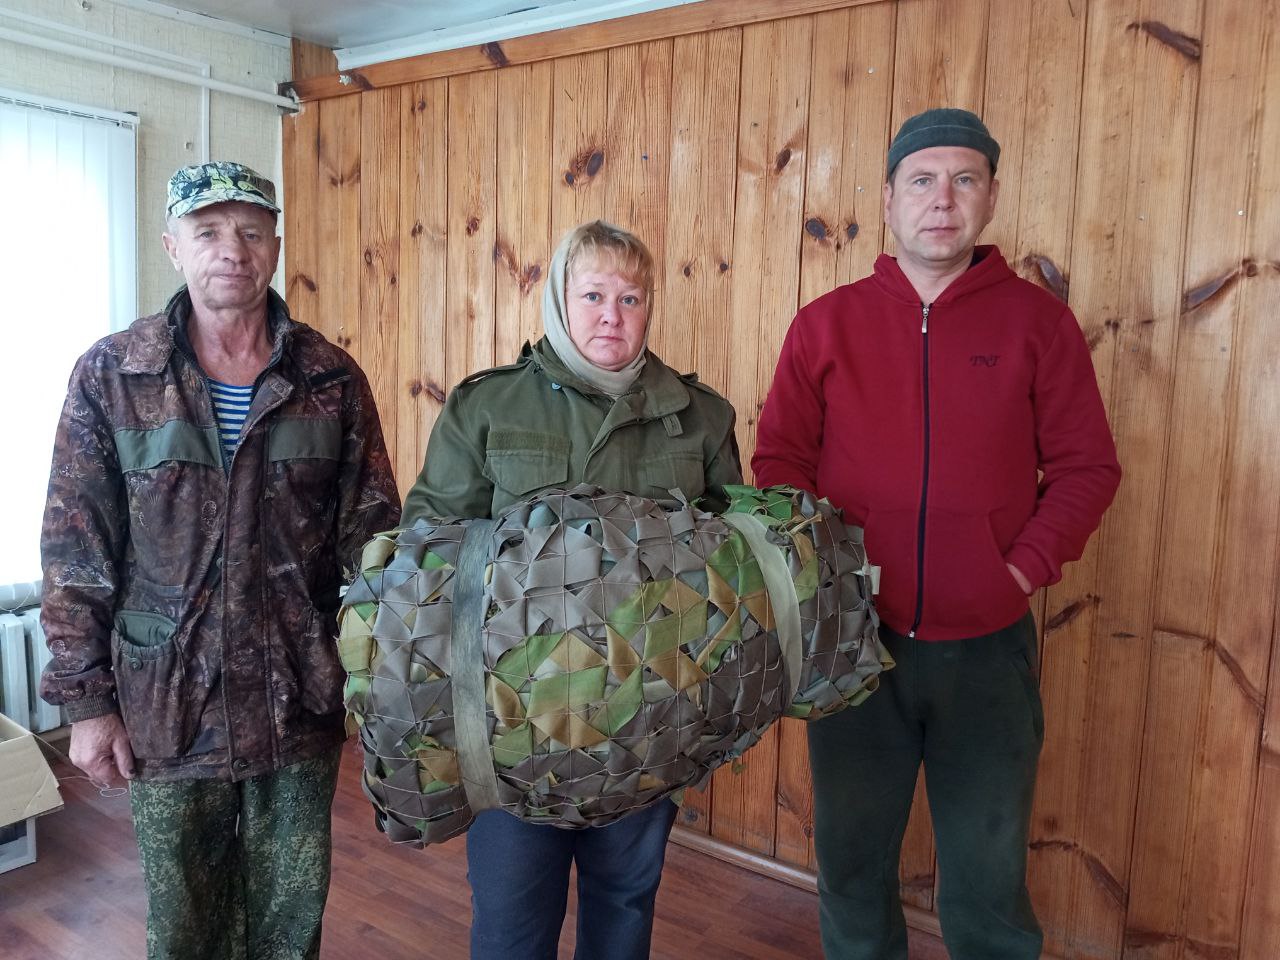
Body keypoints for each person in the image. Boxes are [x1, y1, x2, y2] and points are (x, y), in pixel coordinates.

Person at [752, 109, 1122, 959]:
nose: (942, 199)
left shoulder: (1039, 326)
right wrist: (823, 577)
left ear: (990, 198)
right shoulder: (825, 325)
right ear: (889, 199)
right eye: (922, 180)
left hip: (987, 653)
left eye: (964, 180)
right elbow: (778, 464)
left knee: (989, 883)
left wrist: (1017, 571)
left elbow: (1087, 468)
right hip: (852, 647)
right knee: (851, 866)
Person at [39, 161, 401, 960]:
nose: (231, 249)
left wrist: (391, 679)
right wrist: (88, 704)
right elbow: (75, 550)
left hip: (296, 699)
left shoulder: (329, 378)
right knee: (184, 931)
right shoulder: (114, 376)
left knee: (288, 929)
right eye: (207, 232)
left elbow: (376, 542)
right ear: (173, 245)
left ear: (274, 244)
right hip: (169, 705)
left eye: (250, 231)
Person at [401, 219, 741, 960]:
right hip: (514, 723)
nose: (611, 316)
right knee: (513, 922)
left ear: (649, 307)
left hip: (649, 720)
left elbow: (731, 573)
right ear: (559, 298)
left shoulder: (700, 417)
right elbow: (426, 554)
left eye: (630, 298)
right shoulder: (489, 408)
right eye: (592, 295)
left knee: (624, 911)